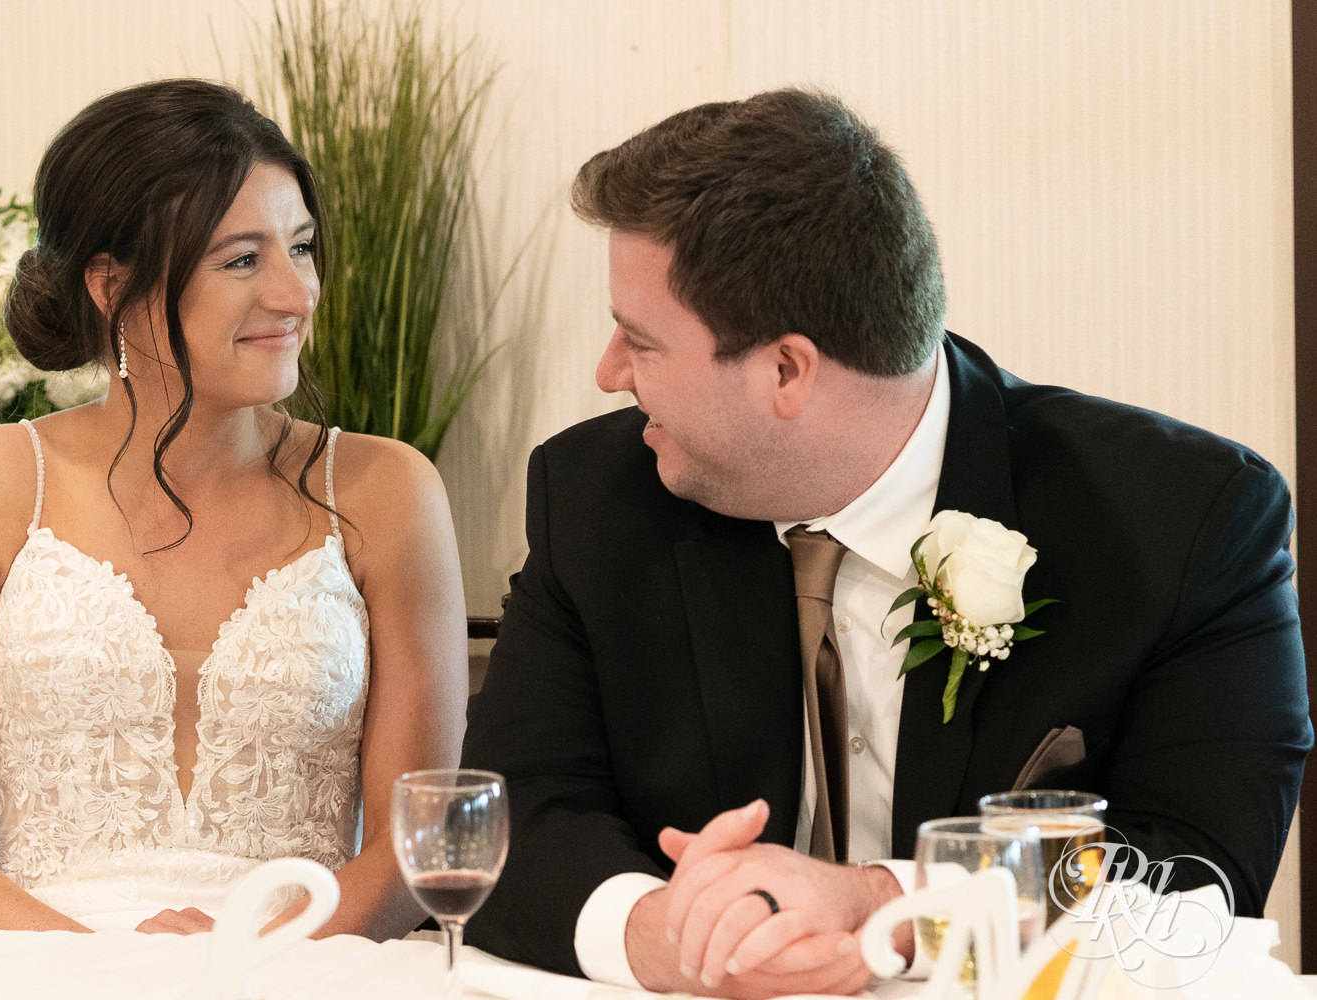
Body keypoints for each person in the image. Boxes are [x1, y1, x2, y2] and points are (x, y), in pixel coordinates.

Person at [460, 88, 1310, 997]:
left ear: (787, 368)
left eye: (639, 341)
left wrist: (885, 907)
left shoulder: (1186, 519)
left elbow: (1195, 878)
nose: (608, 374)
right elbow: (511, 816)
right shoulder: (596, 497)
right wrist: (654, 930)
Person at [0, 79, 468, 939]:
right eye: (242, 259)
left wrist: (258, 953)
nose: (296, 295)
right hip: (43, 972)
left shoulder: (387, 492)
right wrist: (100, 966)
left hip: (294, 972)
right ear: (111, 284)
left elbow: (418, 837)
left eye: (302, 248)